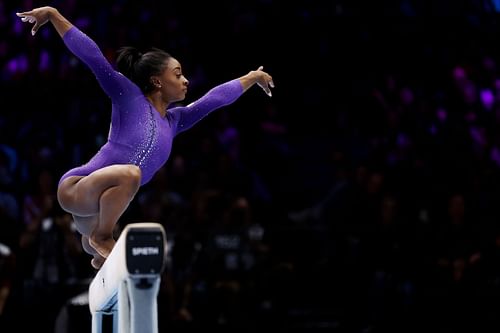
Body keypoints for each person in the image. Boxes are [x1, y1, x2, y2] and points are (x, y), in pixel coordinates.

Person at [16, 6, 275, 269]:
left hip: (96, 211)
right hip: (78, 187)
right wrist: (53, 15)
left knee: (109, 239)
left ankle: (95, 243)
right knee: (131, 175)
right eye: (178, 74)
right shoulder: (128, 96)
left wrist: (251, 77)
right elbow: (93, 57)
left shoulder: (174, 121)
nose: (185, 80)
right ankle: (102, 236)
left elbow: (213, 100)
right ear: (157, 81)